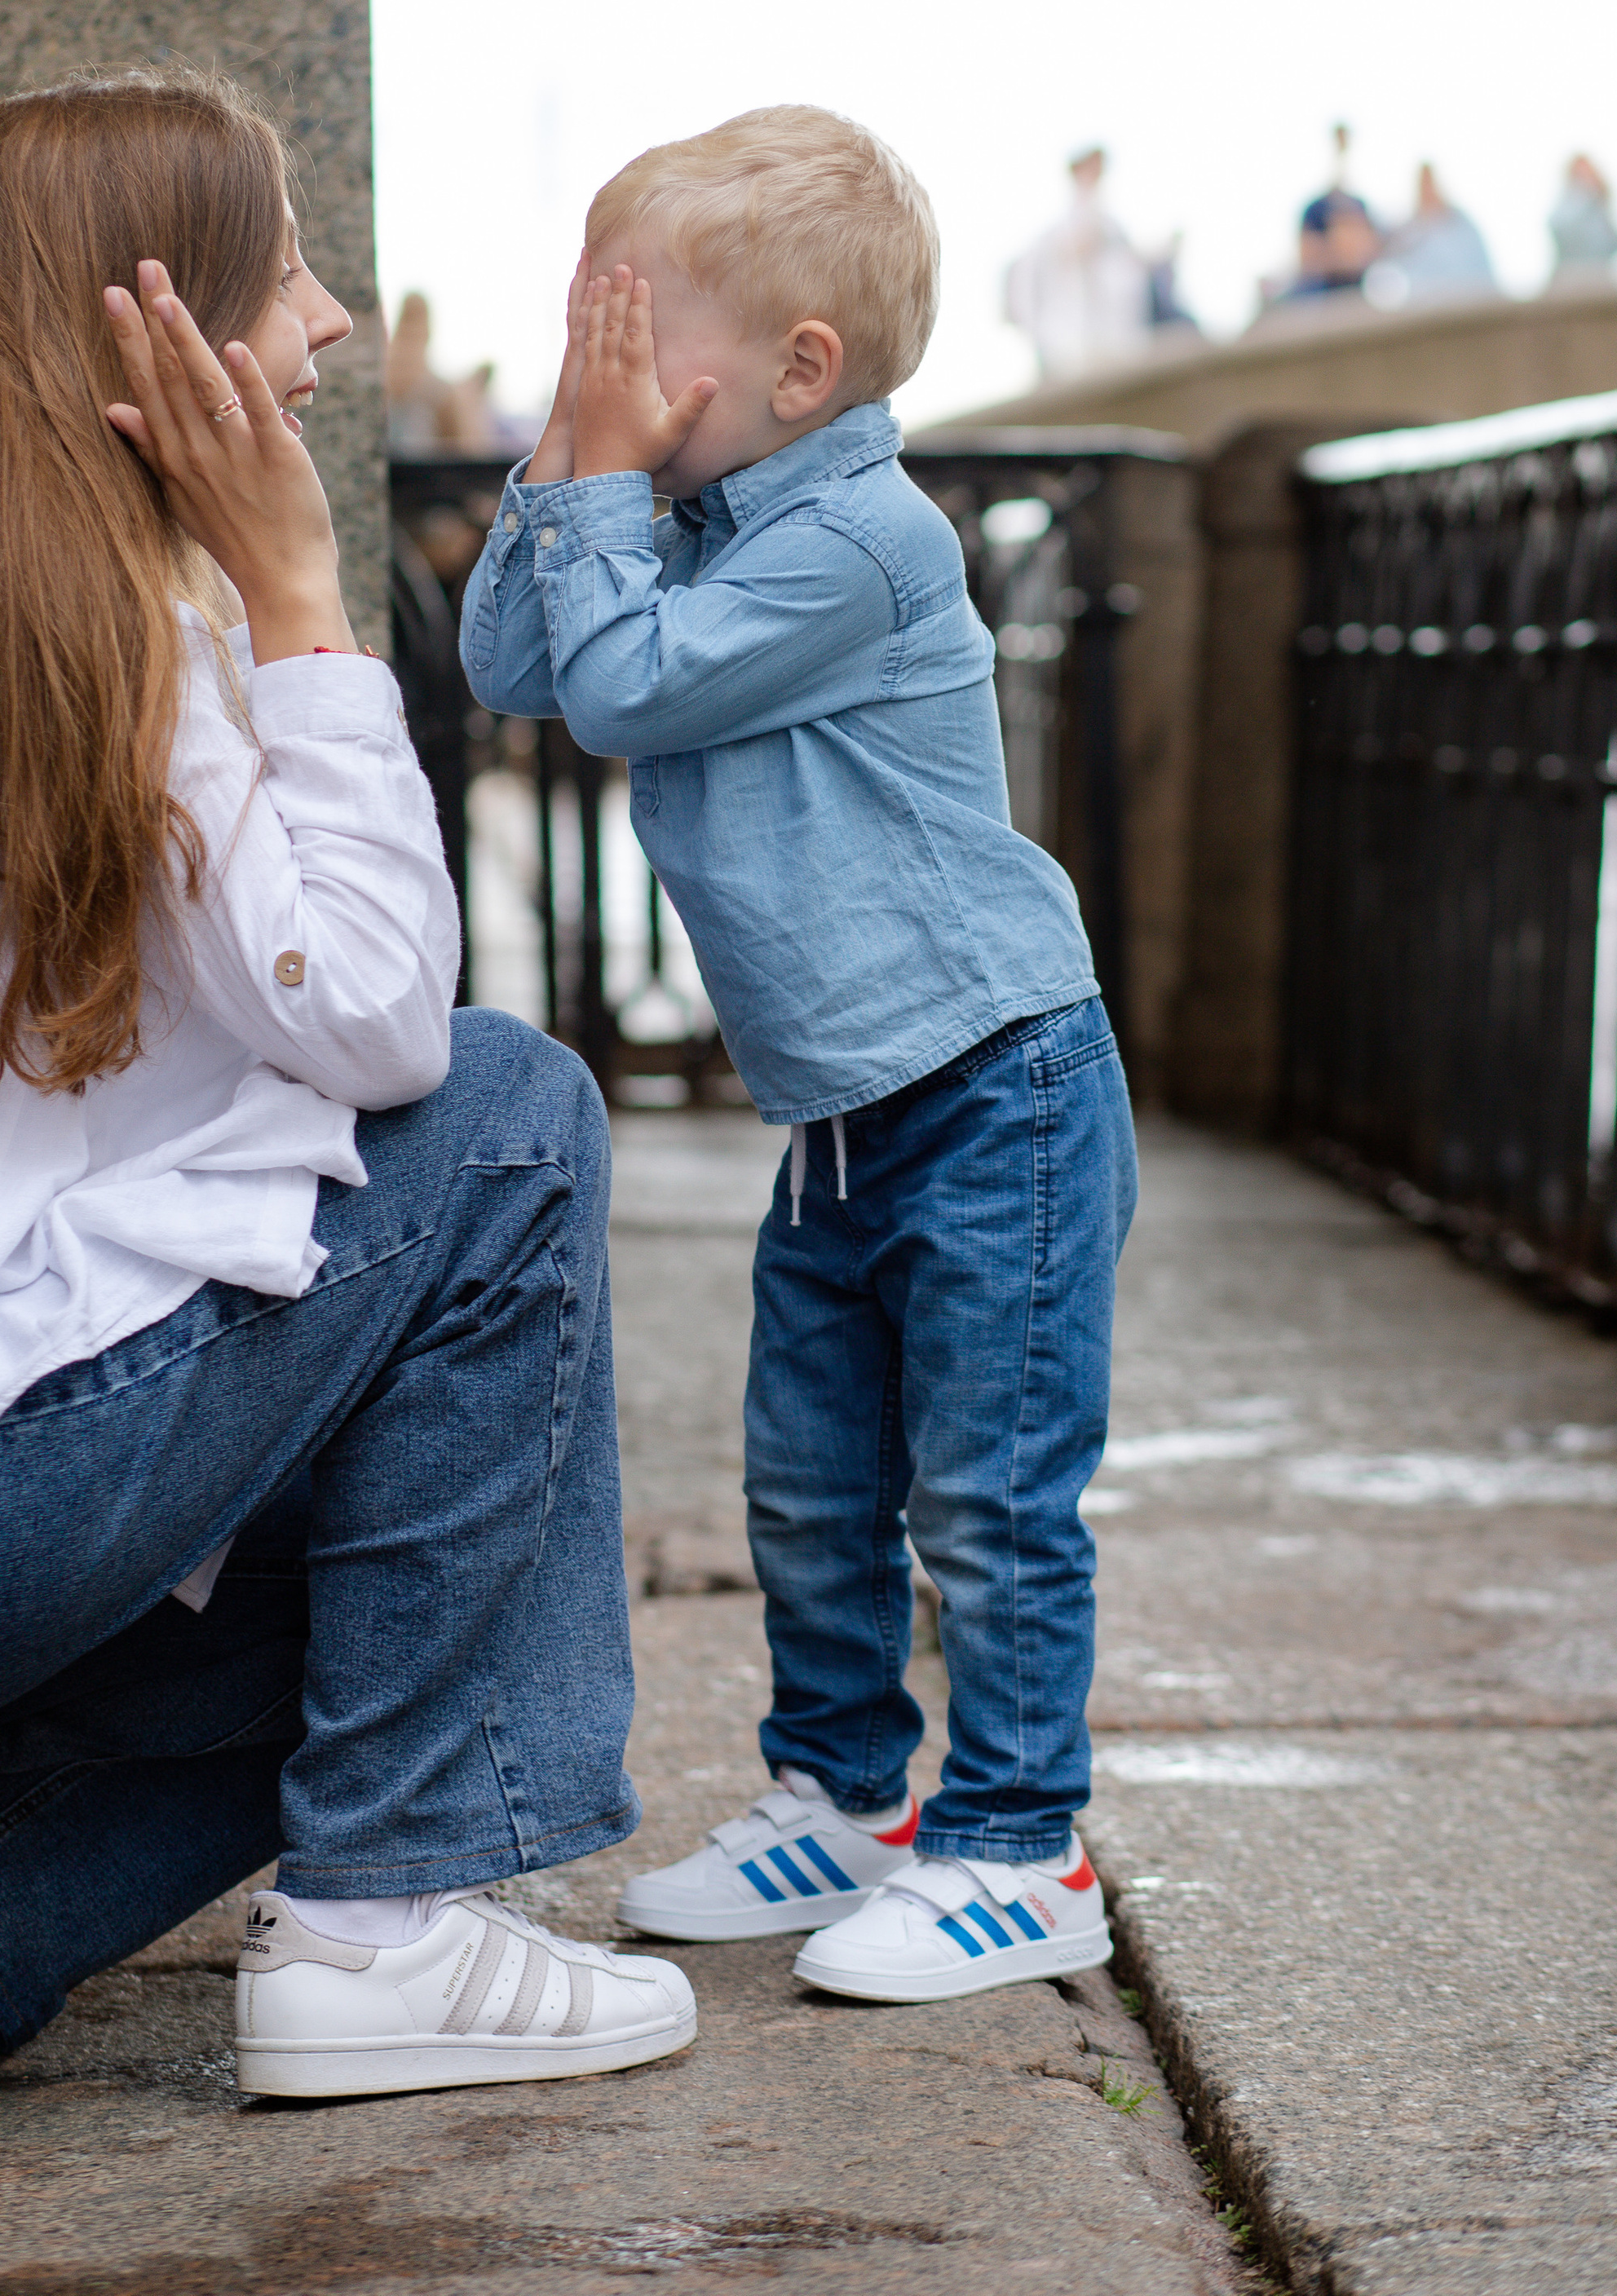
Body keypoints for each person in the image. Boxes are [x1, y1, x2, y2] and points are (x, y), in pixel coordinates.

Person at [0, 68, 694, 2103]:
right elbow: (386, 1030)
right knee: (507, 1114)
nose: (330, 318)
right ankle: (378, 1932)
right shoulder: (105, 645)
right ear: (152, 329)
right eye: (283, 270)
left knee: (426, 1575)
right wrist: (300, 598)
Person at [459, 107, 1136, 2008]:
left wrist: (600, 479)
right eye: (586, 322)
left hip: (993, 1089)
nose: (600, 359)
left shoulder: (858, 538)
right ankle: (840, 1798)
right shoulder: (685, 521)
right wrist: (571, 447)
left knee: (987, 1502)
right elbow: (510, 663)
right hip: (849, 1113)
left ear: (798, 370)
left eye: (631, 326)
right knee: (811, 1488)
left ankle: (1021, 1844)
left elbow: (618, 689)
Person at [1000, 146, 1151, 378]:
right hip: (1072, 350)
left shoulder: (1110, 222)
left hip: (1114, 342)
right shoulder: (1057, 230)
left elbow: (1132, 264)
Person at [1369, 162, 1496, 302]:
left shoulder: (1462, 224)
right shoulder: (1406, 232)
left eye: (1430, 183)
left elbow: (1482, 270)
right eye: (1424, 184)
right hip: (1425, 304)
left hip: (1469, 300)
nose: (1428, 190)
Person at [1287, 121, 1385, 296]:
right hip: (1320, 293)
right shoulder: (1315, 209)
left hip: (1361, 290)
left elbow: (1373, 252)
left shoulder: (1361, 207)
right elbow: (1306, 260)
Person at [1549, 153, 1617, 280]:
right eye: (1580, 173)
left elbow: (1610, 240)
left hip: (1601, 272)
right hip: (1571, 274)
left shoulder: (1600, 206)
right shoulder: (1566, 204)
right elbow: (1559, 228)